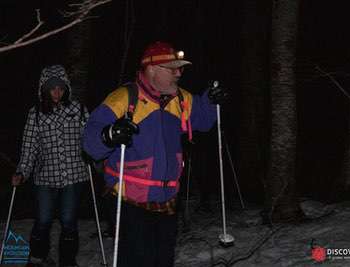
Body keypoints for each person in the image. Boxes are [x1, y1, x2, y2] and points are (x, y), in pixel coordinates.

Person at [82, 41, 226, 267]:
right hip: (130, 203)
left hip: (167, 202)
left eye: (180, 68)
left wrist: (211, 100)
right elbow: (90, 141)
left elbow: (204, 119)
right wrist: (109, 135)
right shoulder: (125, 98)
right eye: (172, 69)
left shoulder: (180, 99)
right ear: (151, 69)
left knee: (163, 260)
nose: (179, 73)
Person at [11, 65, 89, 267]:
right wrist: (22, 171)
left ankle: (68, 261)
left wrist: (99, 160)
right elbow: (29, 148)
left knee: (68, 221)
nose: (57, 92)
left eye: (61, 88)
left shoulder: (78, 109)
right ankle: (38, 257)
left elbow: (90, 139)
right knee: (44, 219)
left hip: (74, 175)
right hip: (46, 177)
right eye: (52, 88)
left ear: (66, 89)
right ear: (44, 89)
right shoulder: (35, 114)